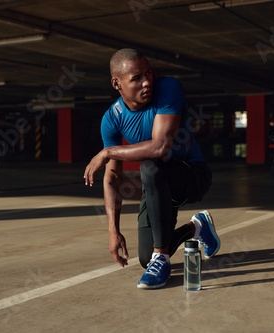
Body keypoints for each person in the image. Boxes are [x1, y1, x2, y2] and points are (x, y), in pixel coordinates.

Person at [84, 48, 220, 289]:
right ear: (117, 84)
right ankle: (198, 227)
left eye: (148, 73)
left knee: (150, 166)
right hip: (156, 186)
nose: (147, 82)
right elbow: (113, 176)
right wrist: (113, 232)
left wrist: (108, 152)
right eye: (136, 78)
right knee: (146, 258)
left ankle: (162, 256)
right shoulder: (112, 119)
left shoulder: (168, 89)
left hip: (191, 175)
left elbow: (160, 148)